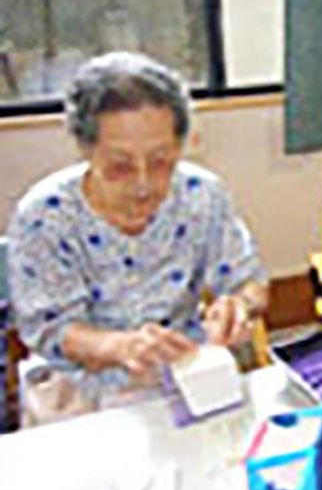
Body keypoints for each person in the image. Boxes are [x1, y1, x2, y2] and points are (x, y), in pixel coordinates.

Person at [8, 52, 267, 401]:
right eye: (120, 166)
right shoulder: (45, 216)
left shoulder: (202, 195)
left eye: (161, 161)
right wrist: (120, 346)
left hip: (185, 372)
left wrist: (238, 306)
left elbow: (249, 281)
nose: (143, 184)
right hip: (78, 388)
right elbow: (49, 329)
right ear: (86, 149)